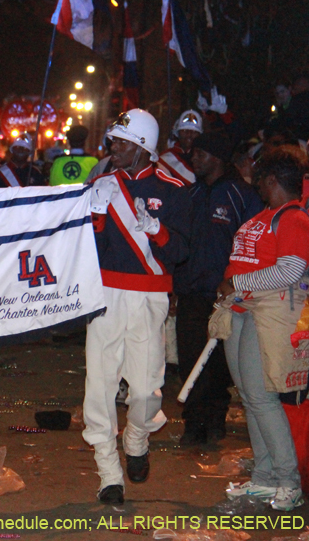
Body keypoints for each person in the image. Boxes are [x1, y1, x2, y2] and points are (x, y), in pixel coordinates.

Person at [83, 109, 190, 504]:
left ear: (143, 148)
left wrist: (157, 231)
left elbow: (182, 251)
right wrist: (94, 218)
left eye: (122, 142)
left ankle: (137, 438)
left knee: (145, 390)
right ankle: (108, 473)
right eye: (113, 140)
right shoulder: (101, 185)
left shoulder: (174, 189)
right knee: (100, 385)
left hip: (150, 296)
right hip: (105, 294)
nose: (113, 146)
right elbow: (85, 250)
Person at [218, 151, 309, 511]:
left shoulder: (294, 218)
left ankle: (288, 481)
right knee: (250, 397)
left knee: (262, 398)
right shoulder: (267, 216)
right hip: (243, 310)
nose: (256, 185)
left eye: (260, 179)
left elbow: (289, 271)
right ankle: (264, 477)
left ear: (272, 180)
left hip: (268, 314)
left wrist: (237, 283)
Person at [173, 132, 263, 446]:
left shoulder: (242, 195)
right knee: (190, 359)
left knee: (221, 364)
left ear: (217, 157)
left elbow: (253, 246)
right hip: (191, 293)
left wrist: (239, 286)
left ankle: (215, 419)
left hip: (226, 297)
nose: (193, 158)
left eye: (200, 153)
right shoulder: (191, 194)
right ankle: (193, 423)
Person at [158, 110, 203, 186]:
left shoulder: (204, 157)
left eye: (194, 131)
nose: (189, 134)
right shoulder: (164, 159)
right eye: (184, 130)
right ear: (177, 133)